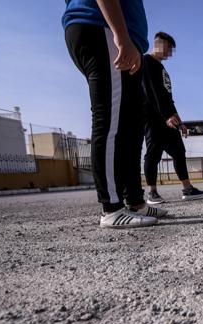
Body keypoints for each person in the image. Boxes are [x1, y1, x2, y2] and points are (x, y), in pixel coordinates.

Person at [63, 0, 167, 228]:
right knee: (109, 121)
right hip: (103, 28)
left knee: (130, 126)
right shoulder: (109, 31)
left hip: (119, 35)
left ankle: (135, 201)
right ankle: (111, 208)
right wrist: (120, 35)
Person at [142, 31, 203, 204]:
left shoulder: (161, 67)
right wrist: (165, 116)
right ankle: (152, 193)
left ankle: (187, 188)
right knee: (153, 154)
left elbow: (167, 97)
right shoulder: (146, 62)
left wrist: (180, 121)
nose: (170, 53)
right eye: (169, 48)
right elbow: (152, 92)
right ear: (160, 44)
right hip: (153, 118)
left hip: (168, 117)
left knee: (179, 151)